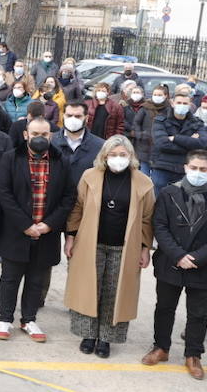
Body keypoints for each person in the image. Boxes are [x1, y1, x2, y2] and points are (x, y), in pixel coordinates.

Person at [142, 149, 207, 379]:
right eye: (193, 168)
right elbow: (160, 226)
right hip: (170, 262)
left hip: (203, 267)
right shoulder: (168, 193)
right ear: (185, 168)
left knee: (198, 313)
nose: (197, 173)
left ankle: (193, 355)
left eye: (203, 169)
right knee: (164, 308)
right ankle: (161, 347)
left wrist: (197, 258)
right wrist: (178, 256)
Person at [62, 136, 154, 358]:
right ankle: (88, 335)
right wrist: (71, 236)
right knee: (89, 288)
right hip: (91, 242)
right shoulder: (90, 176)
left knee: (115, 293)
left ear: (131, 156)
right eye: (113, 155)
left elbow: (147, 219)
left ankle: (106, 339)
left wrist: (144, 248)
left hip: (124, 248)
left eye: (123, 155)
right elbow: (77, 208)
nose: (118, 159)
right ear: (104, 156)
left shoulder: (143, 182)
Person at [0, 117, 75, 343]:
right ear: (26, 135)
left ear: (51, 136)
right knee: (10, 277)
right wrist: (26, 225)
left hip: (46, 231)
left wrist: (49, 224)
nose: (40, 138)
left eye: (45, 134)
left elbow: (69, 197)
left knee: (36, 279)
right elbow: (4, 193)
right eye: (35, 134)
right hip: (16, 230)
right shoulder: (11, 158)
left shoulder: (62, 161)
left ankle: (29, 318)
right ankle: (5, 318)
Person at [150, 92, 207, 191]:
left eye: (185, 103)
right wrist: (190, 143)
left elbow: (202, 144)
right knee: (159, 201)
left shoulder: (197, 123)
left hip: (185, 169)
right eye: (179, 102)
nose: (182, 105)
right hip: (163, 167)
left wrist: (175, 138)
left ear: (190, 104)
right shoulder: (160, 120)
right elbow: (161, 143)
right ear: (172, 103)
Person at [56, 102, 104, 177]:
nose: (72, 119)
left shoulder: (100, 146)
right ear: (63, 116)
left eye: (78, 116)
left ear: (86, 118)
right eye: (69, 115)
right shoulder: (51, 142)